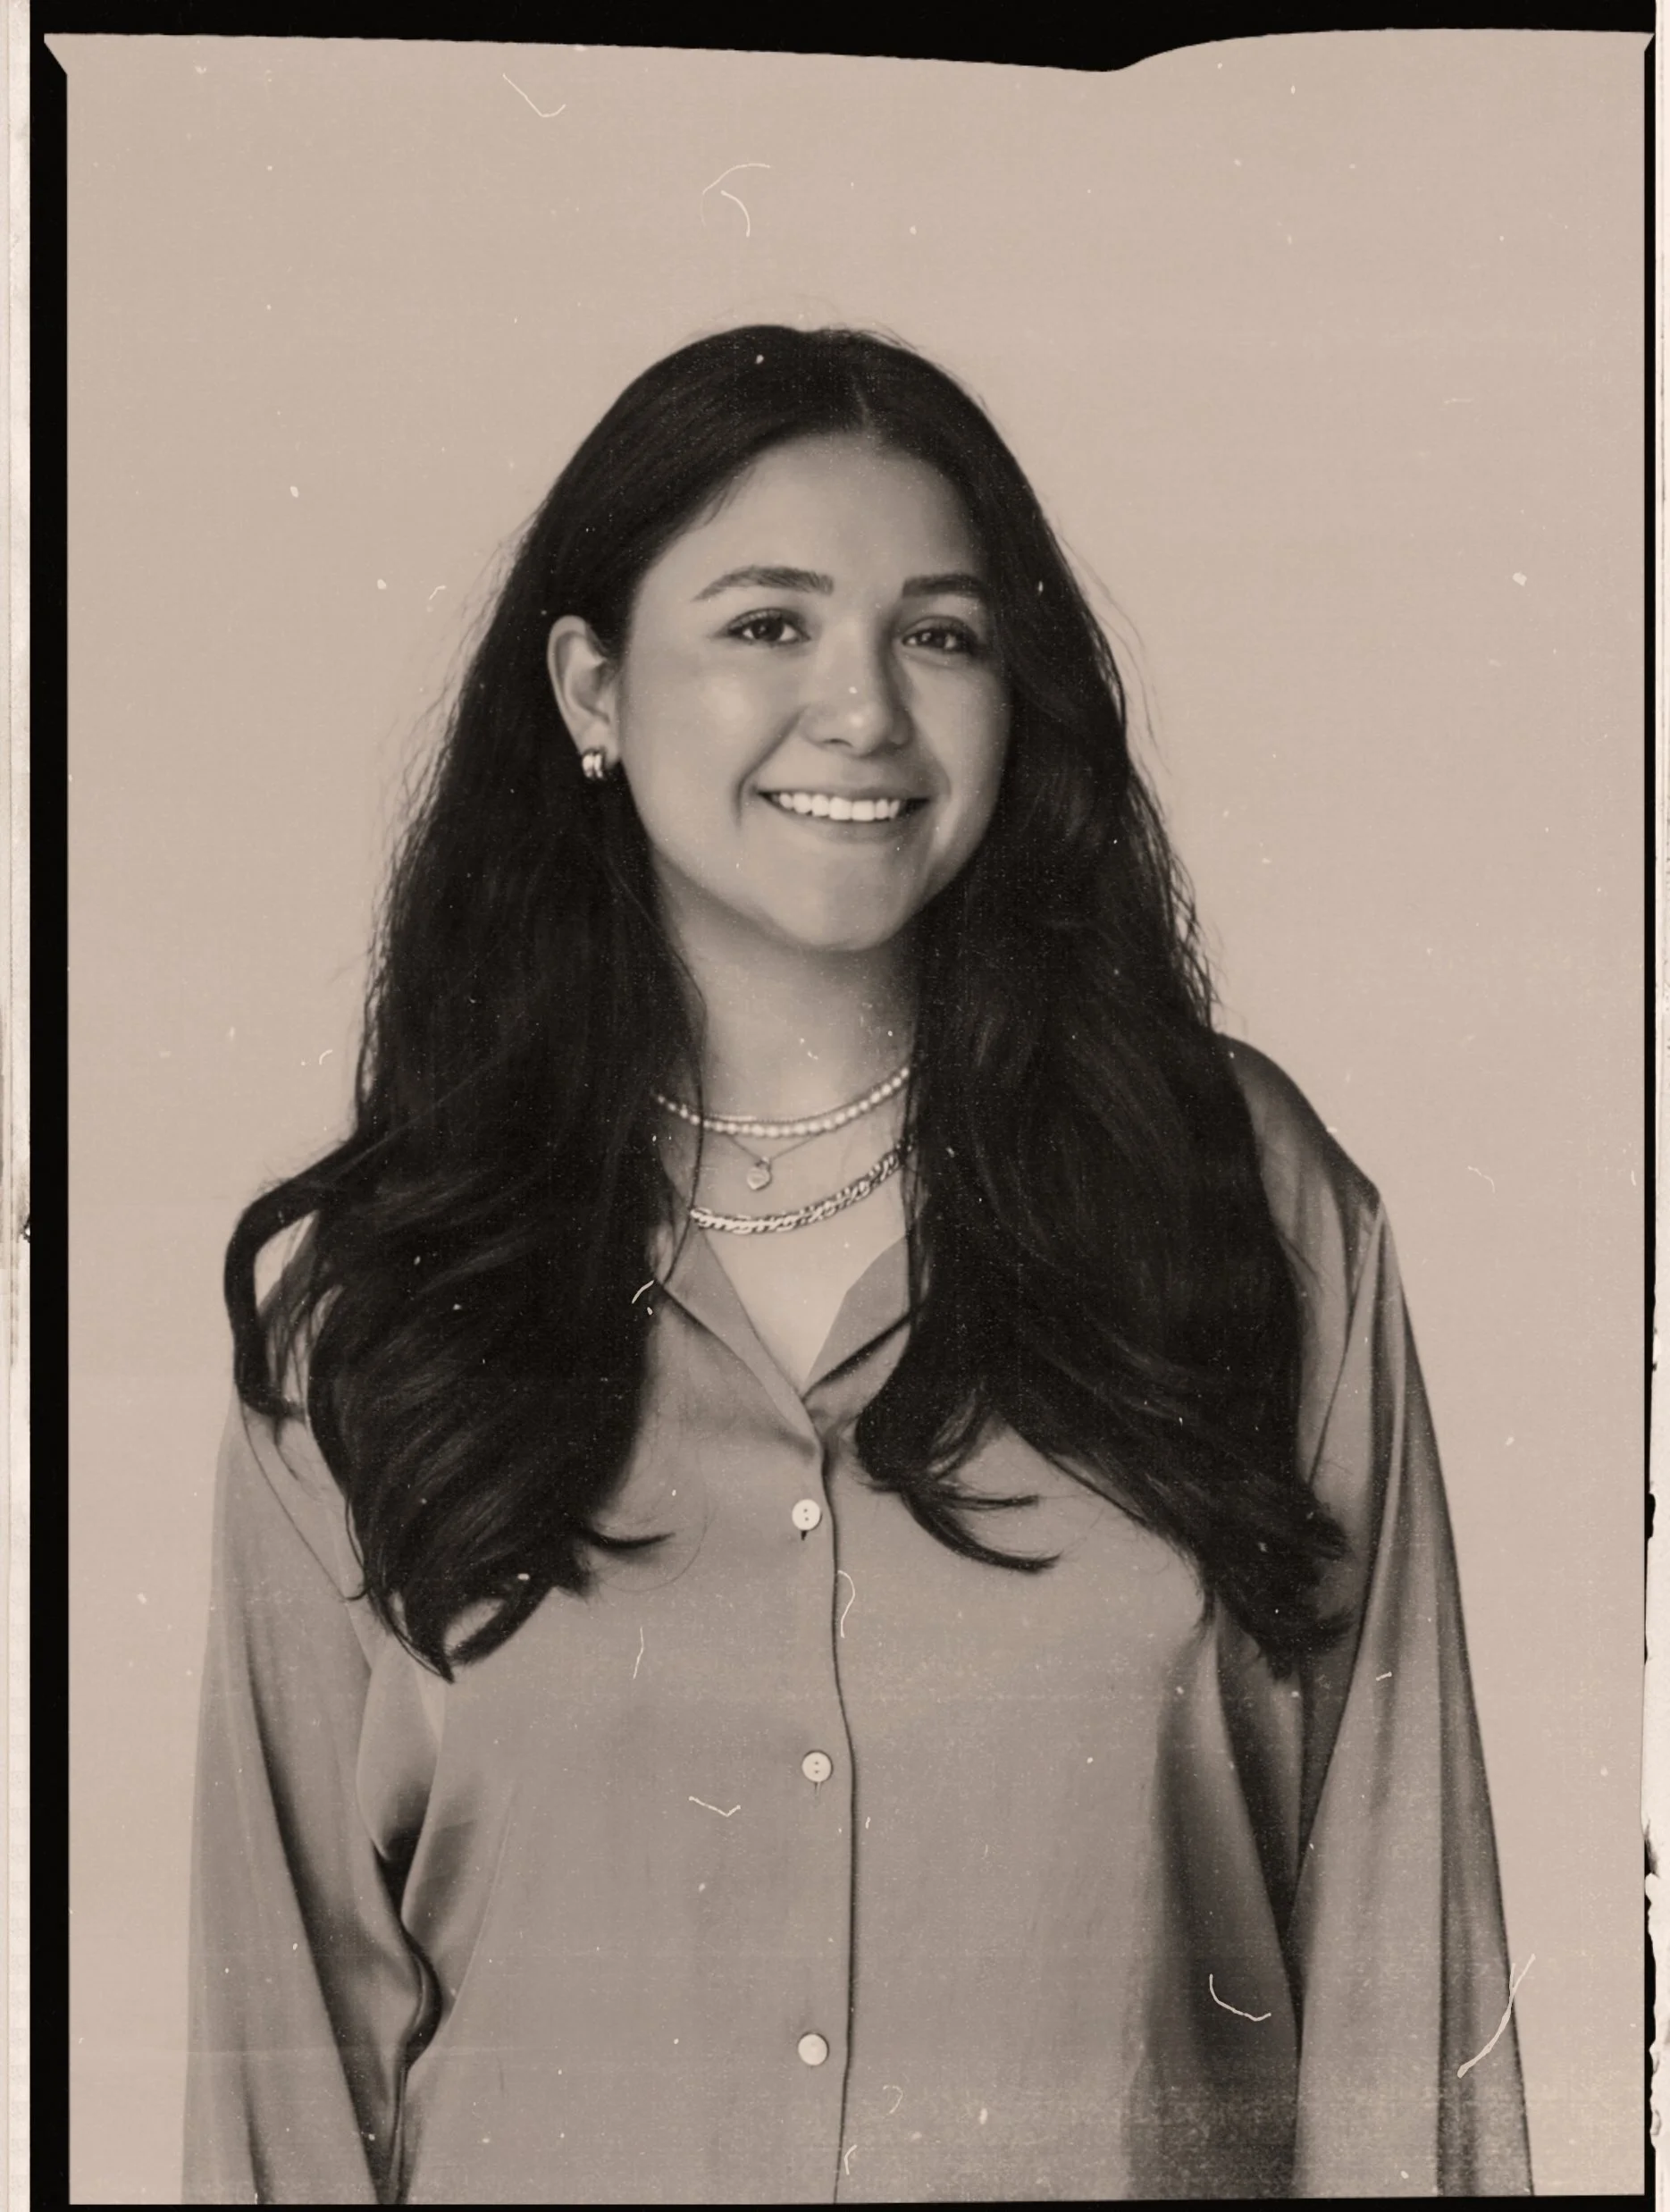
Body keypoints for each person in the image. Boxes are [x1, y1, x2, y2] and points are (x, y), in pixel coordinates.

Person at [184, 324, 1532, 2204]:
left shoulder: (1235, 1206)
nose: (864, 711)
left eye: (942, 633)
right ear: (590, 684)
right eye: (766, 625)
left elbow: (1405, 1972)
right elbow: (287, 2089)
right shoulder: (386, 1299)